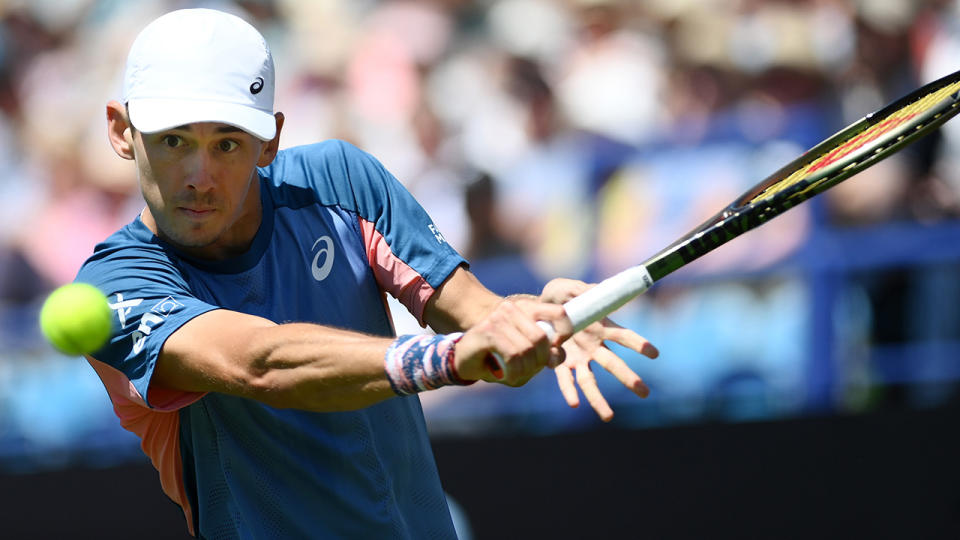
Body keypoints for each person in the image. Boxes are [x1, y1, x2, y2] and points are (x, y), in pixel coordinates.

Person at [77, 8, 658, 538]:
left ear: (270, 140)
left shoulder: (341, 181)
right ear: (121, 131)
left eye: (227, 144)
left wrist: (530, 321)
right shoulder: (113, 290)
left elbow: (476, 314)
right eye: (174, 141)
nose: (199, 177)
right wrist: (446, 357)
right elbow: (258, 362)